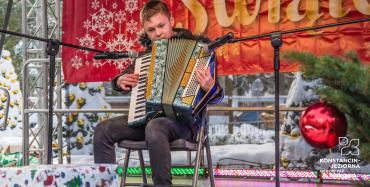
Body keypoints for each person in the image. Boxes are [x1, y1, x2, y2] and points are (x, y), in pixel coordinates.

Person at [93, 0, 224, 185]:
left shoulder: (199, 51)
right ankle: (104, 183)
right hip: (148, 121)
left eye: (161, 26)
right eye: (151, 30)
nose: (158, 33)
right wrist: (119, 81)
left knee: (155, 127)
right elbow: (124, 76)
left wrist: (210, 87)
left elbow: (218, 97)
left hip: (186, 124)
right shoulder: (147, 56)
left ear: (171, 20)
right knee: (103, 130)